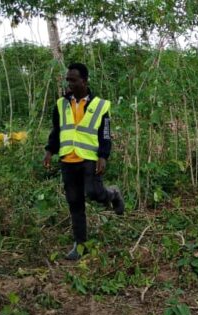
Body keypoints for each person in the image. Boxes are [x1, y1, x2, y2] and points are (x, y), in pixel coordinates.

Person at [43, 63, 124, 260]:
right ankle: (80, 245)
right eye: (68, 79)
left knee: (94, 193)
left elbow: (104, 133)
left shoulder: (100, 105)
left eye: (73, 80)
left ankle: (113, 194)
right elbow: (57, 129)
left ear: (84, 81)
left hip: (89, 159)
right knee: (74, 202)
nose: (69, 84)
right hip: (68, 159)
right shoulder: (61, 104)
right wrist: (49, 150)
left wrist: (103, 156)